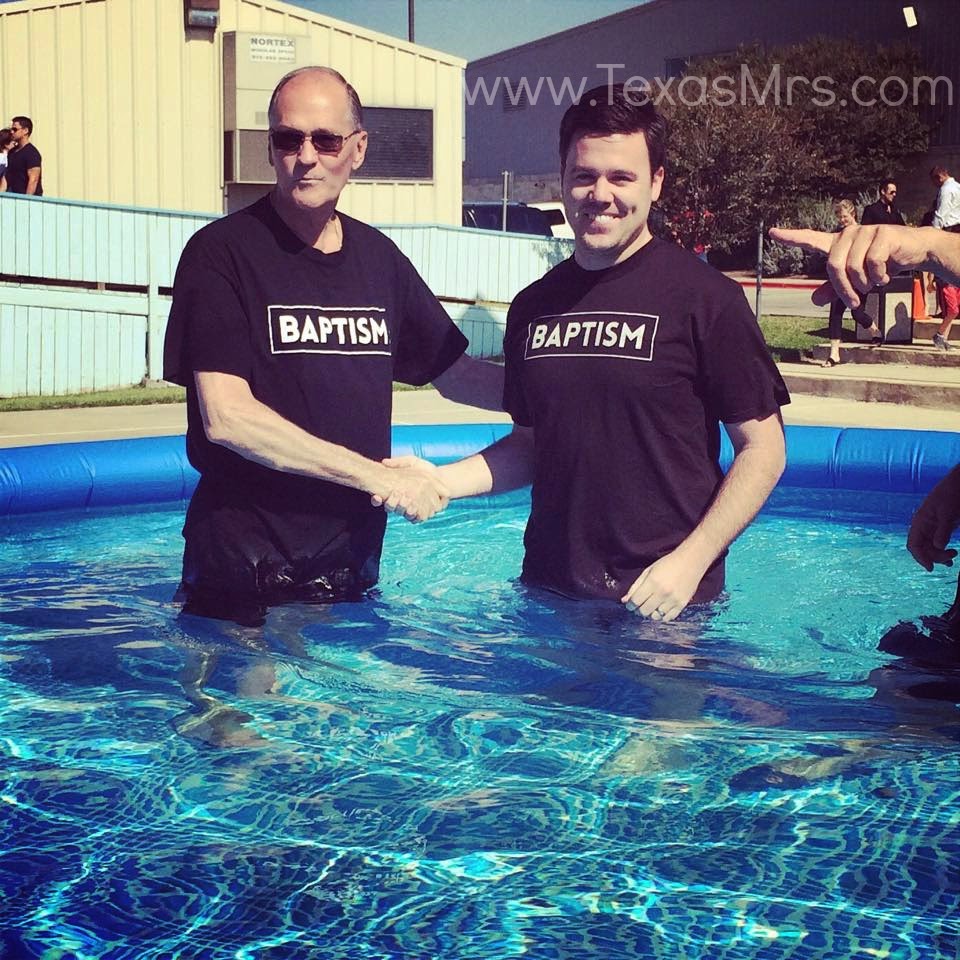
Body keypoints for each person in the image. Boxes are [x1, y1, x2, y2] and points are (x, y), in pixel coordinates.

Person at [382, 84, 788, 623]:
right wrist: (441, 481)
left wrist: (690, 562)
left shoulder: (706, 299)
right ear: (564, 179)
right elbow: (531, 445)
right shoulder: (535, 306)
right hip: (547, 595)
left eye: (621, 177)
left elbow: (763, 449)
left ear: (656, 182)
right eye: (584, 176)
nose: (600, 194)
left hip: (666, 606)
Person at [162, 65, 503, 626]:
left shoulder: (379, 261)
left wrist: (565, 392)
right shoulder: (221, 253)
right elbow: (228, 418)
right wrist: (380, 478)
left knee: (348, 688)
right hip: (243, 570)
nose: (306, 157)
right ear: (270, 147)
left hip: (348, 566)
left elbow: (457, 373)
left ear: (358, 149)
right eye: (288, 138)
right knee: (241, 686)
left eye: (326, 139)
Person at [821, 199, 883, 367]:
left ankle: (875, 332)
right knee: (835, 313)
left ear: (853, 214)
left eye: (845, 216)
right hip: (841, 280)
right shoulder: (838, 234)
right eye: (839, 217)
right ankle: (834, 354)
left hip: (858, 280)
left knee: (857, 314)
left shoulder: (863, 232)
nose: (842, 220)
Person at [928, 166, 960, 351]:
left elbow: (941, 215)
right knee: (953, 307)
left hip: (948, 233)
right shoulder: (958, 187)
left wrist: (931, 236)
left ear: (939, 177)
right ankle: (941, 336)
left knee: (953, 307)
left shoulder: (946, 190)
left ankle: (941, 336)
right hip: (955, 235)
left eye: (934, 181)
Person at [5, 116, 43, 195]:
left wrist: (26, 200)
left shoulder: (32, 153)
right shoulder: (12, 152)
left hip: (28, 200)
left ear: (25, 131)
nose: (11, 132)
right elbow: (6, 178)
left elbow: (33, 180)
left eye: (15, 129)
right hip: (13, 198)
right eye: (11, 129)